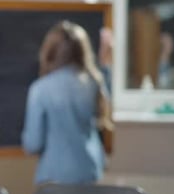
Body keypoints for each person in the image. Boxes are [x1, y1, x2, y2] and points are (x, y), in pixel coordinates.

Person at [21, 20, 112, 185]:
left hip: (53, 176)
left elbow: (33, 144)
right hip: (90, 171)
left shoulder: (40, 89)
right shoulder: (94, 83)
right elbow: (102, 119)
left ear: (49, 52)